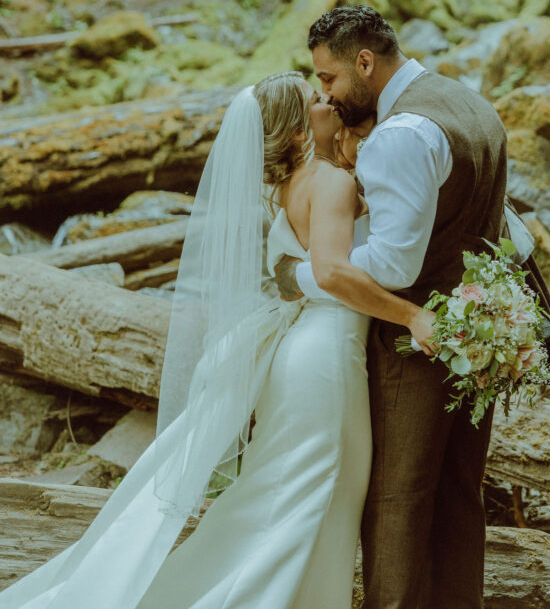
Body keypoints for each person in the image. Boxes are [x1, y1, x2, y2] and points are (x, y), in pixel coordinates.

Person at [0, 72, 435, 609]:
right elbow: (333, 275)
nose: (328, 100)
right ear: (298, 132)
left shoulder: (289, 185)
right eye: (314, 100)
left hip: (299, 355)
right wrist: (413, 316)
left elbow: (297, 266)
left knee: (286, 500)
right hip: (325, 360)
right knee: (317, 498)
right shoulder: (331, 182)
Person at [275, 5, 550, 609]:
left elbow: (392, 266)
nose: (325, 94)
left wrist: (302, 273)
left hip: (417, 344)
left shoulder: (399, 136)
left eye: (329, 78)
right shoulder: (468, 104)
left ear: (365, 62)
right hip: (474, 337)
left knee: (397, 504)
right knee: (458, 496)